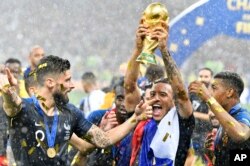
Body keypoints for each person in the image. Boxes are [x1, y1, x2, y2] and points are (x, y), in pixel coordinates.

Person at [0, 55, 152, 166]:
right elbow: (12, 105)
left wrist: (135, 119)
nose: (72, 85)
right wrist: (8, 92)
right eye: (67, 80)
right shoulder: (24, 108)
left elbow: (103, 140)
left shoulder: (70, 112)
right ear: (50, 82)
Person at [125, 19, 194, 165]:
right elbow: (130, 87)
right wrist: (138, 49)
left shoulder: (180, 120)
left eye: (163, 95)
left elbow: (181, 93)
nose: (156, 98)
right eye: (152, 94)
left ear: (174, 101)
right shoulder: (142, 117)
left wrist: (163, 49)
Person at [189, 71, 250, 166]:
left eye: (214, 88)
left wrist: (209, 99)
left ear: (229, 92)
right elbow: (234, 158)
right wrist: (212, 153)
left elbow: (241, 134)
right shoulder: (225, 119)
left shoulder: (242, 115)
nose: (209, 92)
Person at [189, 67, 214, 165]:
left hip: (206, 133)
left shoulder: (213, 95)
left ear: (211, 79)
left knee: (205, 160)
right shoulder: (192, 94)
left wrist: (193, 114)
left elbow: (211, 117)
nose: (203, 79)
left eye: (206, 76)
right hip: (192, 131)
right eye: (201, 76)